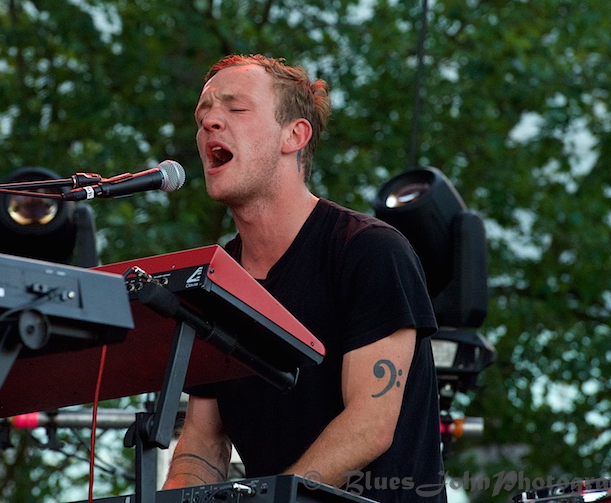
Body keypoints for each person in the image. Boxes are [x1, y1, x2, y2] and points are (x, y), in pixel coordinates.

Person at [163, 54, 445, 503]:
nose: (211, 122)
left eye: (235, 109)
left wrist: (271, 500)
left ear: (294, 135)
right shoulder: (215, 283)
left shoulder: (369, 250)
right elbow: (203, 442)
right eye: (203, 115)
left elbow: (370, 425)